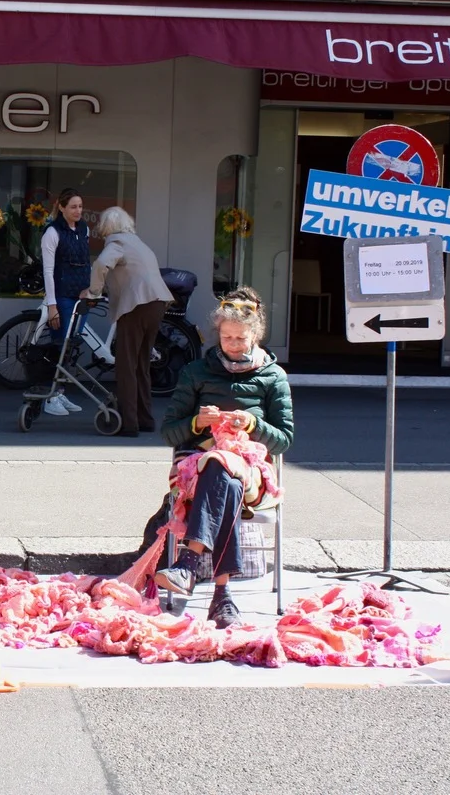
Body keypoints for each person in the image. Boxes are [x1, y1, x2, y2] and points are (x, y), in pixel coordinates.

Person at [153, 287, 293, 628]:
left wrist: (253, 424)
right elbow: (169, 431)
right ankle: (221, 596)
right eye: (226, 337)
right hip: (198, 469)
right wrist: (197, 422)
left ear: (256, 335)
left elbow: (284, 440)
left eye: (240, 338)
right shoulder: (197, 372)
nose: (232, 344)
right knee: (221, 473)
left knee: (224, 466)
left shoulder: (273, 377)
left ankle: (188, 564)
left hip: (253, 472)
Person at [80, 207, 173, 437]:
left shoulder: (117, 243)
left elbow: (101, 265)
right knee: (142, 364)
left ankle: (129, 423)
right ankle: (146, 418)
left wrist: (93, 292)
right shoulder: (138, 243)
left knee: (126, 364)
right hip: (157, 303)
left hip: (137, 305)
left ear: (108, 226)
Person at [40, 188, 92, 416]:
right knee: (60, 343)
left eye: (80, 206)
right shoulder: (52, 232)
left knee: (71, 346)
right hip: (62, 294)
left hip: (80, 294)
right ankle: (51, 397)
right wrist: (52, 305)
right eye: (73, 206)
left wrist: (89, 289)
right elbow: (48, 270)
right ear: (61, 208)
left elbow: (86, 261)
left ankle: (60, 392)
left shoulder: (84, 229)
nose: (78, 211)